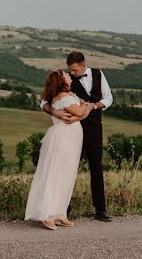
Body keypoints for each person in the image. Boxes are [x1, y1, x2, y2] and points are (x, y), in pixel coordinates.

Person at [42, 50, 114, 222]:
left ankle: (100, 209)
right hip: (73, 131)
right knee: (67, 169)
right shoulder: (63, 81)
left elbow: (108, 98)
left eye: (75, 70)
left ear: (84, 65)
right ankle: (63, 210)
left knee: (96, 168)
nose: (72, 74)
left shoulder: (98, 74)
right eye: (70, 70)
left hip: (95, 129)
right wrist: (55, 113)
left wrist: (94, 106)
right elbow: (43, 101)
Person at [24, 70, 92, 230]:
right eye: (65, 74)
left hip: (72, 136)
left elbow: (81, 113)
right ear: (61, 80)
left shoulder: (68, 94)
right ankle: (47, 214)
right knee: (57, 174)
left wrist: (83, 109)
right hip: (63, 137)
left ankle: (60, 213)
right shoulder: (63, 97)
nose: (68, 75)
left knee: (67, 174)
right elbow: (81, 111)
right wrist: (84, 106)